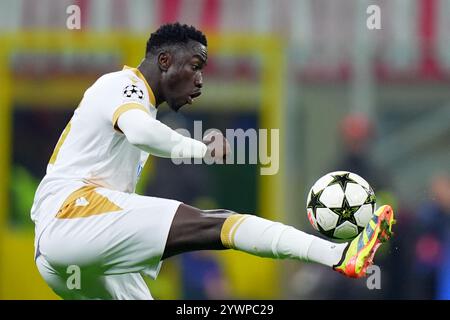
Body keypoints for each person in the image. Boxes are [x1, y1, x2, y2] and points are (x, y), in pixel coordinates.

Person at [31, 23, 395, 300]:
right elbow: (141, 133)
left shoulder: (138, 102)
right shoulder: (121, 85)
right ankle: (338, 253)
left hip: (67, 252)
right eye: (195, 66)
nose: (200, 80)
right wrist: (199, 148)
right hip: (71, 217)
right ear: (164, 61)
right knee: (221, 224)